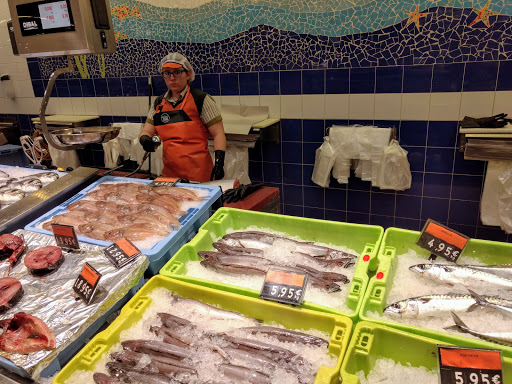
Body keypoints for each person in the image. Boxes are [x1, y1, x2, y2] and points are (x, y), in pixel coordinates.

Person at [139, 52, 226, 181]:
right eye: (167, 73)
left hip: (199, 176)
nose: (172, 78)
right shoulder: (158, 103)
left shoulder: (201, 99)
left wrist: (219, 163)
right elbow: (146, 130)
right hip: (170, 176)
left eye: (177, 72)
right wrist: (145, 139)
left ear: (188, 74)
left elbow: (218, 133)